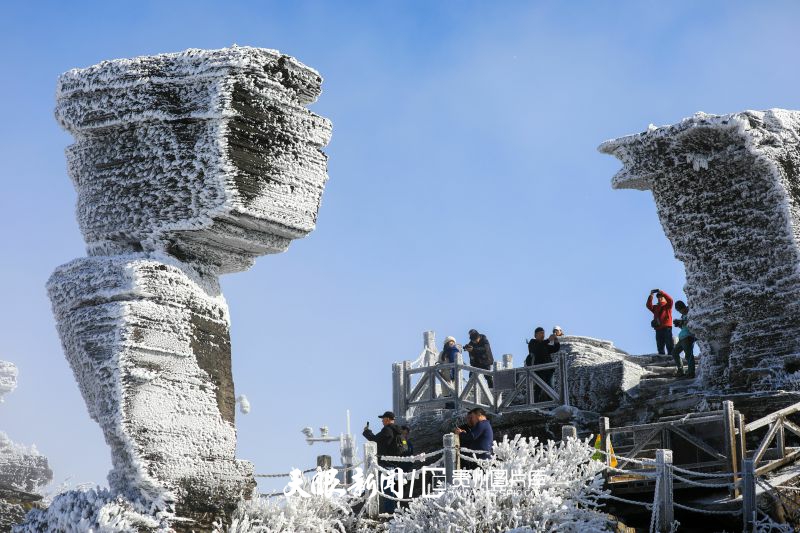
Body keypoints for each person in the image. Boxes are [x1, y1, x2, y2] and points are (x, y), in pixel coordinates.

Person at [363, 411, 403, 513]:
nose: (382, 420)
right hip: (393, 463)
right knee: (390, 488)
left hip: (386, 464)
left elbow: (375, 440)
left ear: (388, 419)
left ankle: (389, 511)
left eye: (383, 418)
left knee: (387, 488)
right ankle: (392, 510)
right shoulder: (397, 430)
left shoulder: (387, 430)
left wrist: (367, 432)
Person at [525, 326, 561, 402]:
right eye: (541, 333)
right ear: (535, 335)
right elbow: (537, 349)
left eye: (543, 333)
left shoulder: (544, 344)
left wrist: (556, 340)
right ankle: (534, 406)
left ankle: (552, 407)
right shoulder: (532, 342)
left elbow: (555, 349)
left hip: (548, 370)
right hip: (539, 370)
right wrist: (548, 340)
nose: (543, 335)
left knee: (550, 389)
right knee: (538, 388)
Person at [672, 300, 696, 378]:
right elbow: (684, 326)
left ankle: (691, 373)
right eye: (678, 311)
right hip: (682, 337)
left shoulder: (690, 312)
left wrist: (681, 322)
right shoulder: (683, 316)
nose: (680, 312)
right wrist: (679, 324)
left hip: (689, 337)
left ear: (683, 307)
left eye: (680, 309)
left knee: (688, 355)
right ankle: (681, 370)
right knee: (674, 353)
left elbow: (691, 322)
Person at [646, 288, 674, 355]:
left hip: (667, 328)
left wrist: (662, 292)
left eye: (661, 297)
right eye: (658, 297)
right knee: (660, 346)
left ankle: (671, 357)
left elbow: (670, 300)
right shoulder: (656, 307)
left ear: (664, 298)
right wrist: (651, 295)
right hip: (658, 328)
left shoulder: (668, 306)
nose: (659, 298)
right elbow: (648, 306)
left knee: (669, 344)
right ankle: (662, 358)